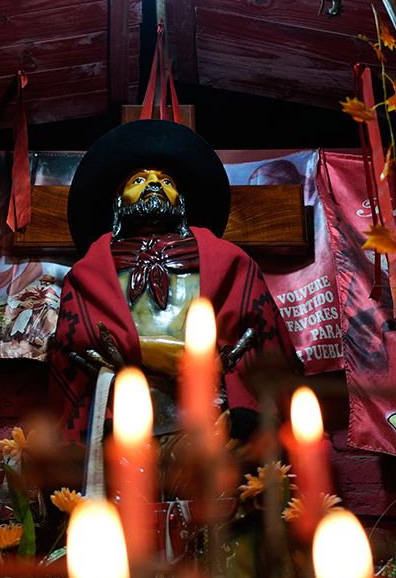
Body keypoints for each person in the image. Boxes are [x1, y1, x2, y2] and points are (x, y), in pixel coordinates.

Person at [49, 119, 289, 444]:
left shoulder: (229, 262)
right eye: (139, 179)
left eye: (166, 181)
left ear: (181, 201)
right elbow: (75, 343)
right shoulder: (89, 273)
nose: (154, 184)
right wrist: (152, 353)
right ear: (118, 202)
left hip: (213, 417)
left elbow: (262, 340)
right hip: (121, 417)